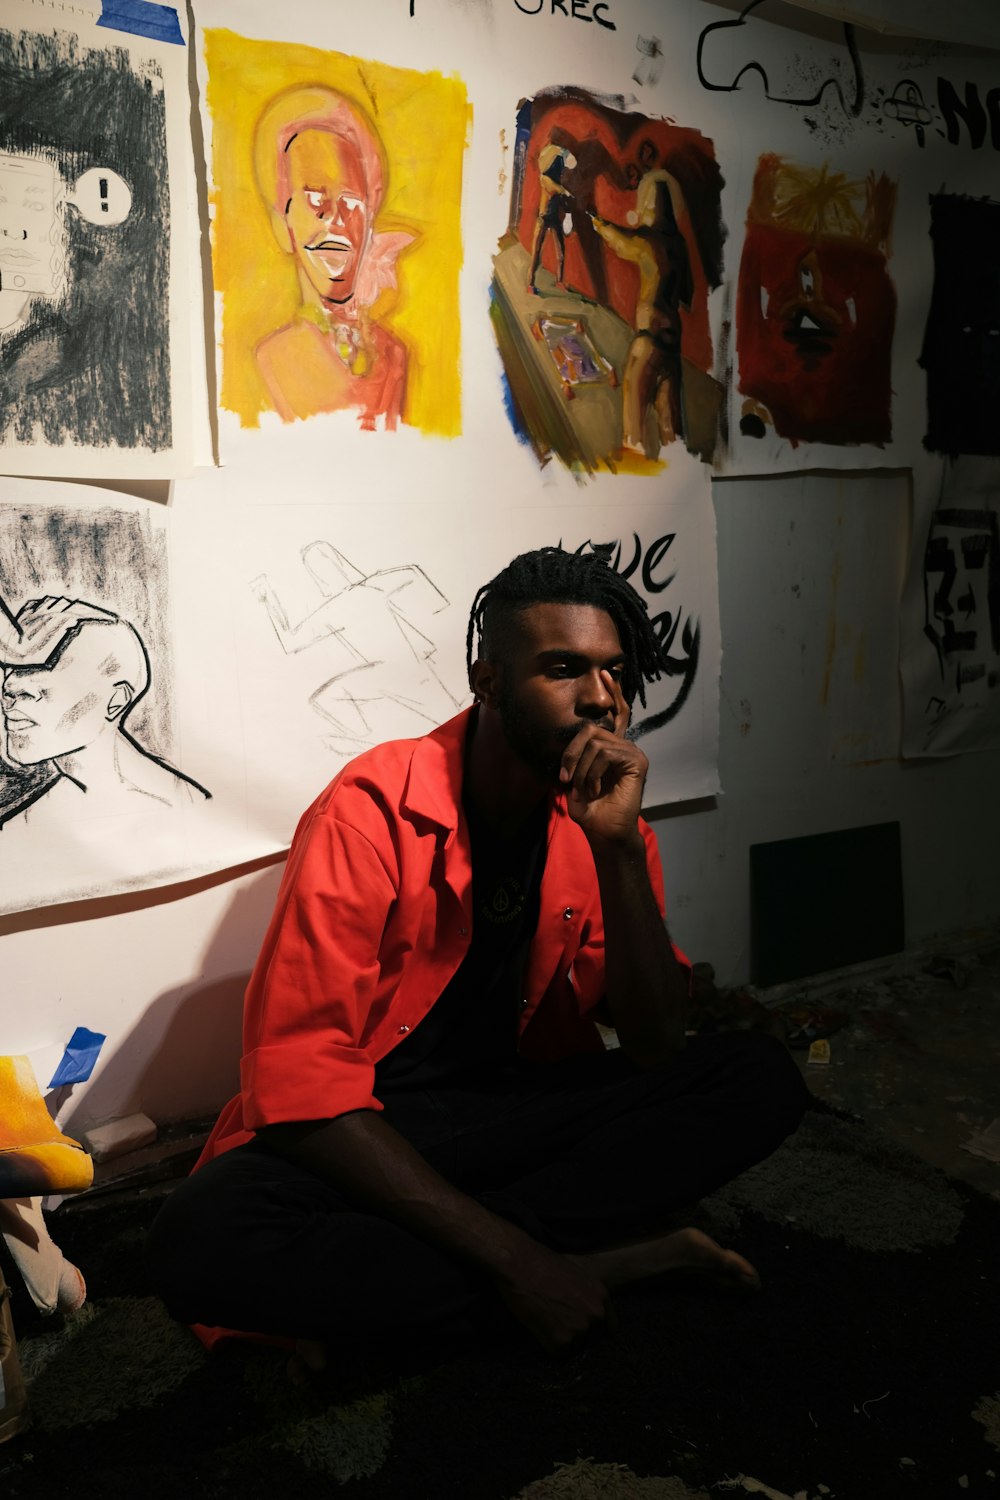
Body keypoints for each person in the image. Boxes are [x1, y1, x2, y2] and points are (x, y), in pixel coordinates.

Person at [147, 548, 807, 1366]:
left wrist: (620, 854)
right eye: (564, 669)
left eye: (613, 671)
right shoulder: (371, 809)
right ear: (487, 682)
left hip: (513, 1108)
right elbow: (300, 1081)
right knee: (199, 1238)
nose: (601, 697)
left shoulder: (608, 824)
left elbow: (654, 1043)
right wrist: (517, 1259)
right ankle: (585, 1264)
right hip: (379, 1127)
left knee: (757, 1078)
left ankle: (417, 1290)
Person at [252, 85, 413, 430]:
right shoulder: (269, 361)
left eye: (352, 202)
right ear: (283, 226)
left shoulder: (394, 356)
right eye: (314, 199)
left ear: (370, 222)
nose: (336, 220)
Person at [0, 594, 209, 827]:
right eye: (12, 669)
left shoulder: (179, 806)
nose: (10, 688)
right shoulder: (34, 814)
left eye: (47, 668)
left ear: (116, 701)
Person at [590, 168, 694, 456]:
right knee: (672, 435)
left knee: (633, 434)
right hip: (672, 347)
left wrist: (597, 223)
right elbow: (688, 296)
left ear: (647, 205)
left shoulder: (647, 243)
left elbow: (617, 240)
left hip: (648, 341)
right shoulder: (679, 246)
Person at [527, 141, 577, 294]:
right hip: (543, 217)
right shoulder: (545, 179)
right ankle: (530, 284)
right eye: (561, 169)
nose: (563, 172)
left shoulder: (557, 182)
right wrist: (565, 192)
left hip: (554, 218)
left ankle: (560, 281)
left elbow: (559, 193)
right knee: (536, 253)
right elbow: (553, 188)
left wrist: (567, 200)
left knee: (560, 253)